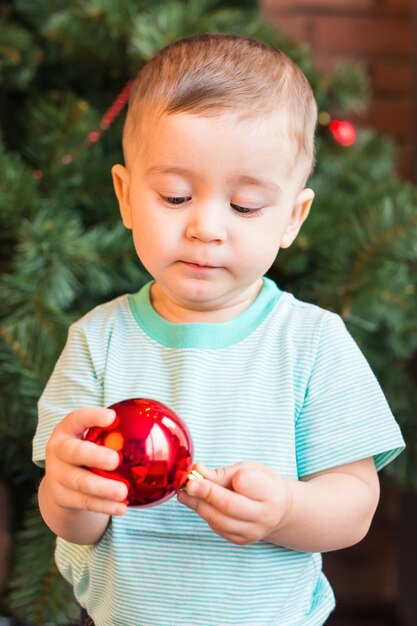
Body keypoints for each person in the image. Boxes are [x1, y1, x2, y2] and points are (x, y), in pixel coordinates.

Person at [33, 33, 405, 626]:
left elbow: (354, 508)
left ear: (292, 217)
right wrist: (69, 492)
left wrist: (284, 510)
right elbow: (73, 521)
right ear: (127, 197)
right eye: (176, 196)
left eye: (246, 205)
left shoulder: (312, 342)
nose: (206, 227)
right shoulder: (97, 339)